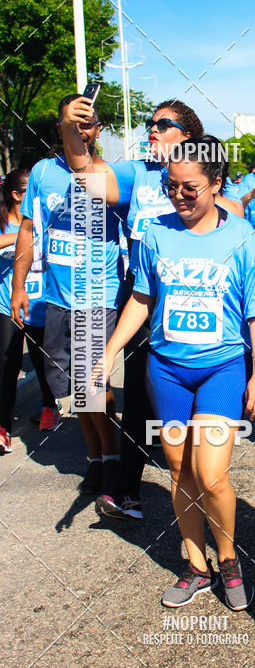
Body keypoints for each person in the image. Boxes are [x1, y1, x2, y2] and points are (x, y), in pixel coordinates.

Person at [91, 140, 255, 610]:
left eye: (190, 187)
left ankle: (228, 559)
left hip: (222, 367)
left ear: (217, 184)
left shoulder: (242, 238)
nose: (179, 195)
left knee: (211, 474)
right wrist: (109, 350)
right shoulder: (154, 234)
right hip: (167, 369)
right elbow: (142, 298)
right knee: (178, 469)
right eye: (171, 186)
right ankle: (196, 565)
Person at [59, 98, 241, 521]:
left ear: (190, 137)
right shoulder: (136, 173)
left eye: (164, 124)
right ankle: (127, 490)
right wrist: (71, 128)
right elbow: (85, 170)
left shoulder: (208, 183)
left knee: (186, 399)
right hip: (142, 298)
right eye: (150, 123)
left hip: (198, 301)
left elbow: (235, 218)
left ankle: (198, 476)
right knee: (139, 396)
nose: (152, 130)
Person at [11, 95, 124, 494]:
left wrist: (71, 136)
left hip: (98, 294)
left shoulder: (111, 173)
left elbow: (90, 180)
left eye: (90, 123)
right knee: (79, 392)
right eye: (75, 122)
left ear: (98, 130)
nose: (83, 129)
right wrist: (20, 286)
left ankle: (112, 461)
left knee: (95, 385)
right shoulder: (41, 172)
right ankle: (97, 458)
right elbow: (28, 229)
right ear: (60, 126)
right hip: (57, 298)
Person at [0, 170, 58, 453]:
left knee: (41, 361)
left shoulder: (43, 220)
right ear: (16, 195)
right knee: (7, 363)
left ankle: (49, 406)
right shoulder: (9, 224)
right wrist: (23, 237)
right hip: (6, 305)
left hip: (39, 304)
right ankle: (2, 427)